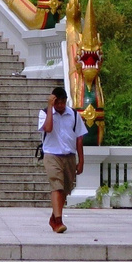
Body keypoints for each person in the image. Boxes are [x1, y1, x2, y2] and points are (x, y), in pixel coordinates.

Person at [38, 86, 87, 234]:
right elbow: (48, 128)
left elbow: (79, 138)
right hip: (52, 154)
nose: (60, 106)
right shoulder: (45, 113)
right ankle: (58, 221)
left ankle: (54, 217)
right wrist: (50, 107)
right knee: (57, 186)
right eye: (57, 102)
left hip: (69, 155)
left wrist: (81, 160)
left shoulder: (73, 114)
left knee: (65, 189)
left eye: (62, 102)